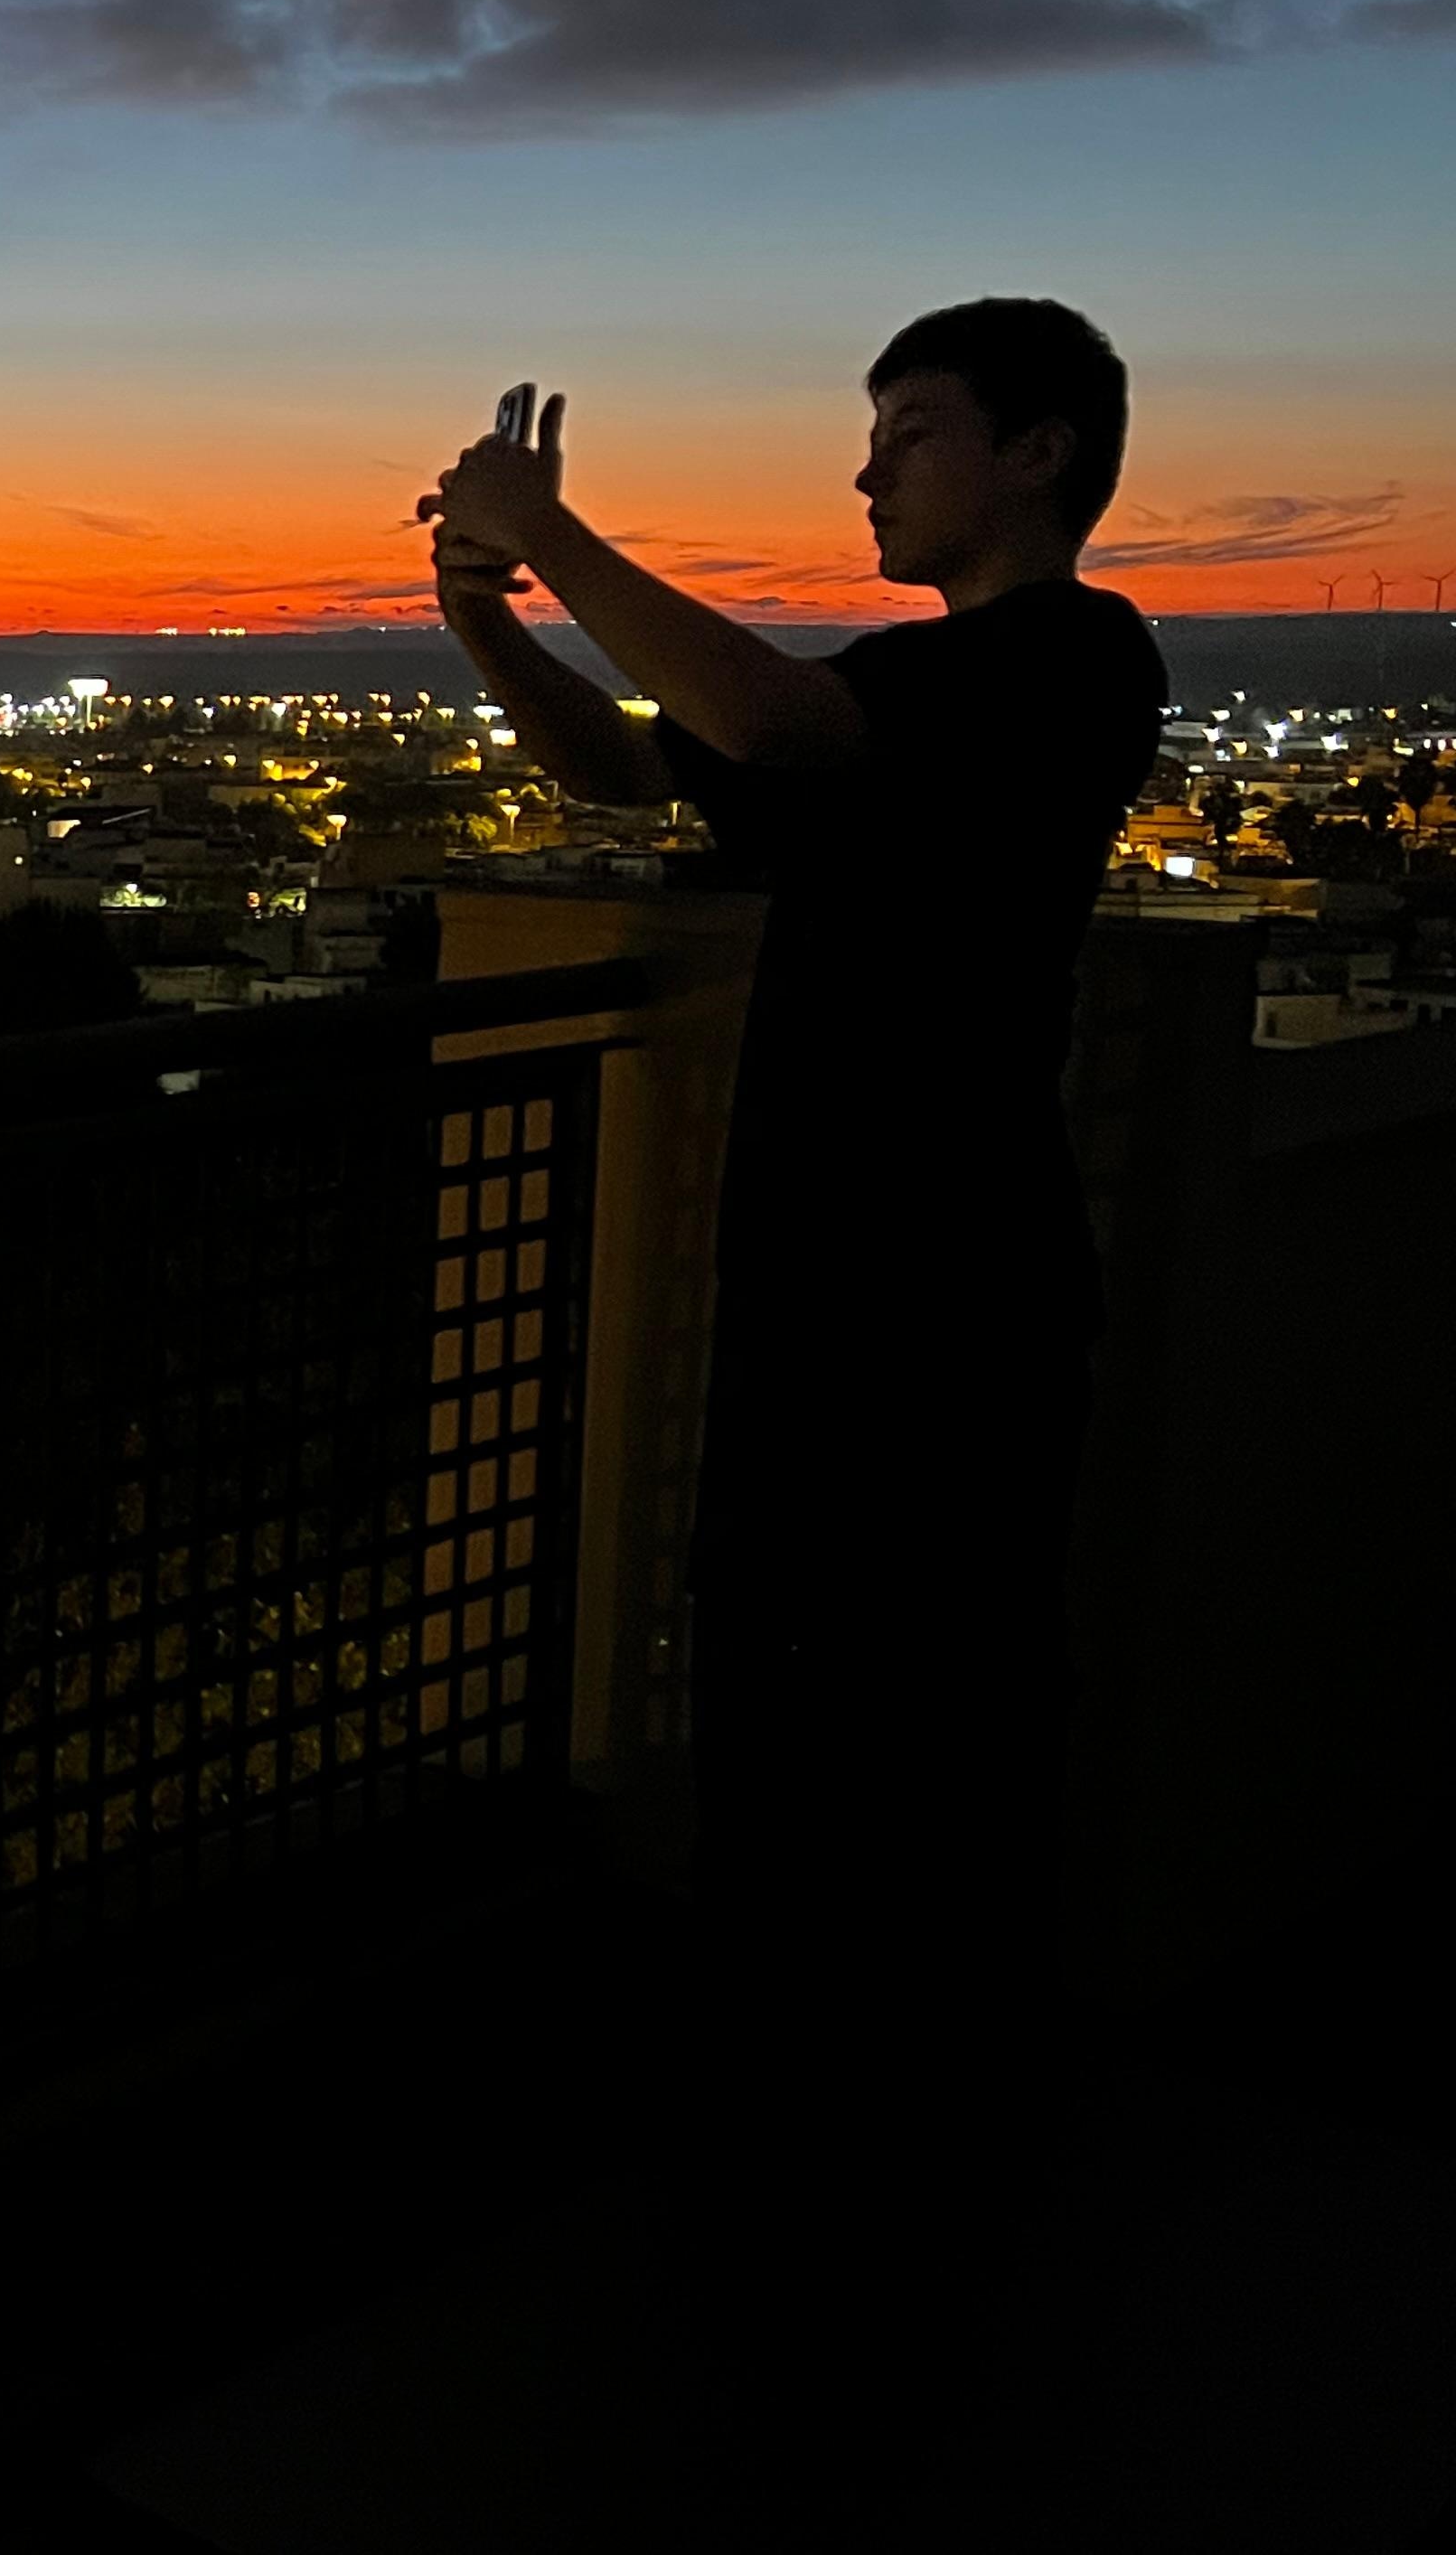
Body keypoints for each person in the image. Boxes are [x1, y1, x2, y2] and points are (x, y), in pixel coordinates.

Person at [417, 299, 1167, 2540]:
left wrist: (551, 526)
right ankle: (815, 2151)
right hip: (833, 1272)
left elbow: (753, 710)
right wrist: (486, 621)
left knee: (923, 1711)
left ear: (1037, 455)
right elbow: (635, 771)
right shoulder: (908, 690)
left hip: (945, 1290)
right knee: (791, 1682)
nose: (871, 477)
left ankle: (904, 2201)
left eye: (911, 436)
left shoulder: (1072, 660)